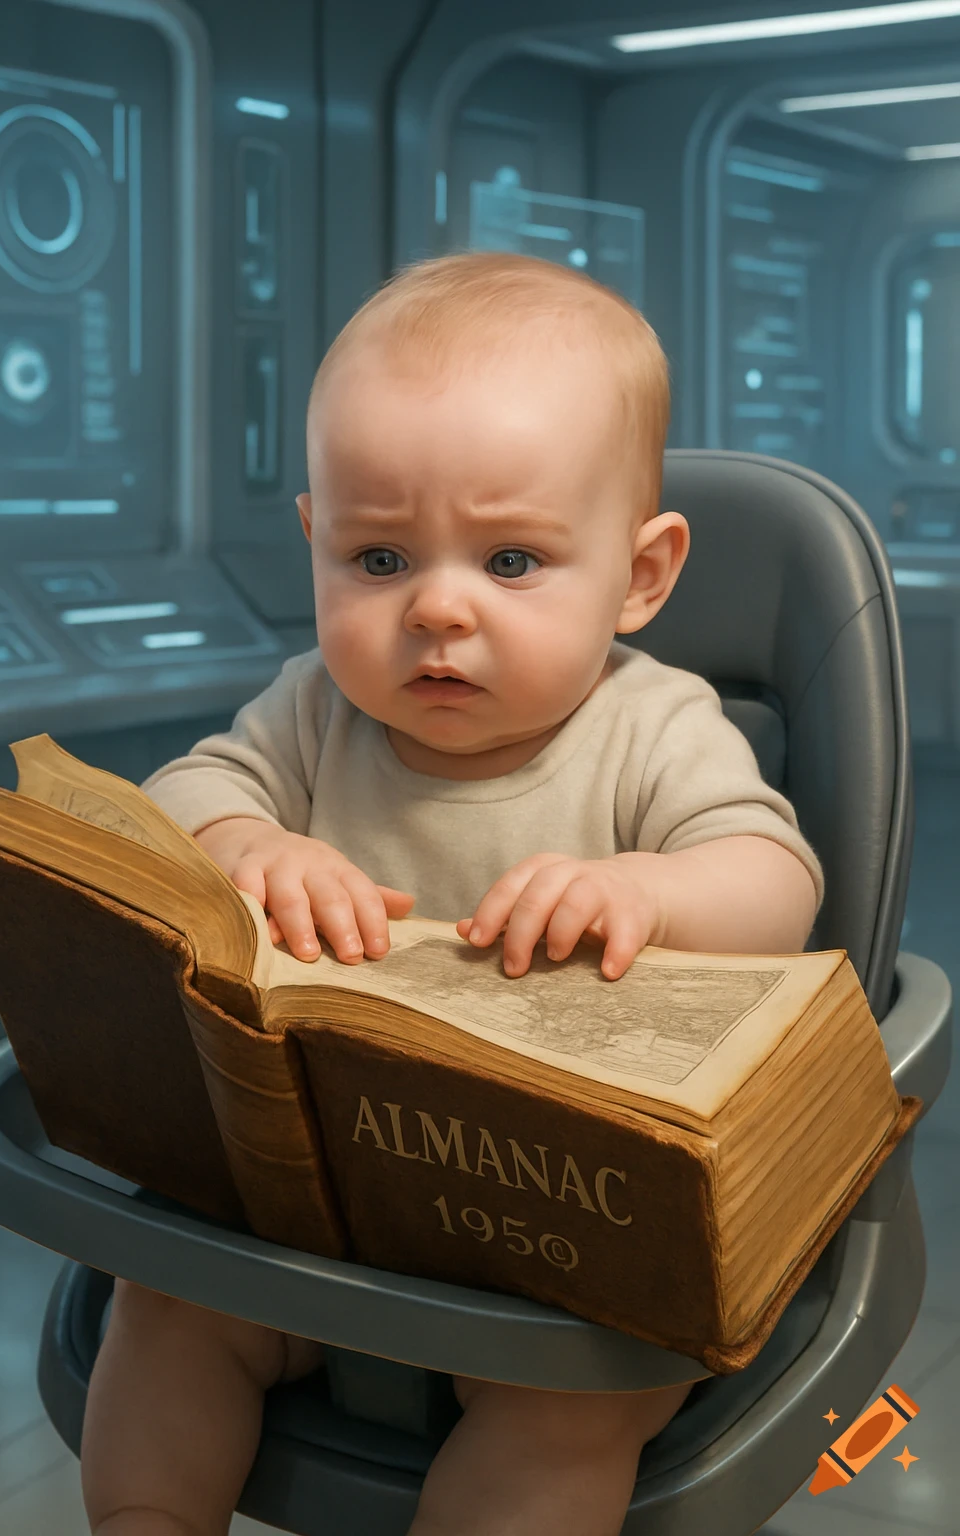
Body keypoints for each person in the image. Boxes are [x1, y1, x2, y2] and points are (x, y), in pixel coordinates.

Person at [81, 252, 823, 1536]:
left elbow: (777, 883)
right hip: (321, 1213)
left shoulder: (656, 729)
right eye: (377, 558)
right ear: (315, 541)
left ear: (641, 576)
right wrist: (251, 844)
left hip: (563, 1249)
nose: (436, 608)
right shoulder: (314, 715)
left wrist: (643, 891)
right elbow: (180, 797)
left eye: (514, 563)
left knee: (571, 1414)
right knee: (163, 1312)